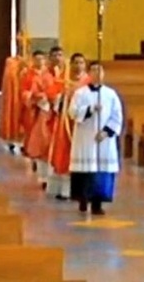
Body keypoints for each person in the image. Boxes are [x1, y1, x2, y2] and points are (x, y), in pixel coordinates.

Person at [68, 61, 124, 215]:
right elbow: (72, 112)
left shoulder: (110, 94)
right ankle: (83, 199)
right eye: (93, 70)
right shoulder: (80, 93)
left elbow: (117, 116)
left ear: (103, 74)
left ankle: (98, 203)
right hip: (85, 138)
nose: (96, 74)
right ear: (88, 74)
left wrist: (106, 132)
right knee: (85, 170)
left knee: (101, 171)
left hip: (103, 140)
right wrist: (90, 110)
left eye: (99, 70)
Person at [47, 53, 90, 200]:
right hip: (65, 124)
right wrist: (61, 97)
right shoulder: (64, 82)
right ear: (70, 64)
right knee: (65, 153)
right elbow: (53, 98)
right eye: (75, 63)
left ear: (85, 65)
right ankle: (64, 190)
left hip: (83, 125)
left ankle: (81, 190)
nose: (78, 66)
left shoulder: (89, 83)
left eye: (81, 63)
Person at [22, 50, 55, 187]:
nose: (40, 61)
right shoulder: (28, 75)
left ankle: (50, 175)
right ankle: (38, 166)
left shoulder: (49, 75)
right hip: (35, 111)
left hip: (51, 111)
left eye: (42, 59)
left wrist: (49, 97)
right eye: (37, 59)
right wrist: (33, 97)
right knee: (37, 141)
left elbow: (55, 89)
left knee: (49, 143)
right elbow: (24, 92)